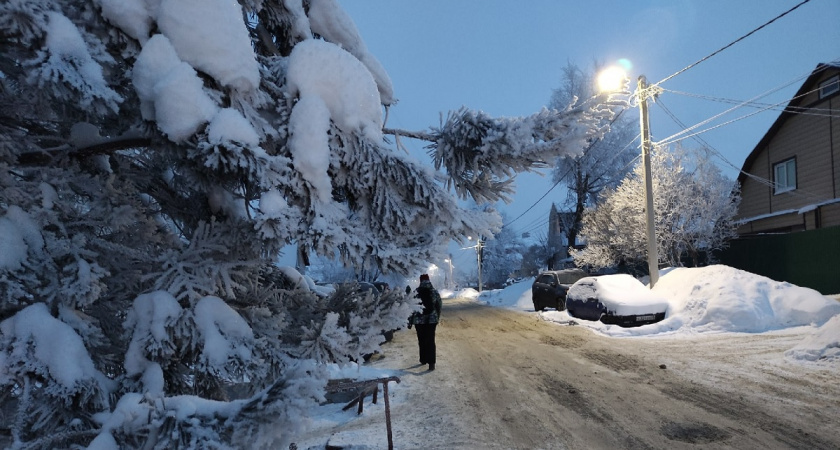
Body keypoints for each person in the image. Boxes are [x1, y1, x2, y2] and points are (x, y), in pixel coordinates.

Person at [408, 274, 442, 371]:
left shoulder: (416, 292)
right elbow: (439, 305)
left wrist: (410, 321)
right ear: (429, 280)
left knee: (421, 339)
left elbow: (411, 308)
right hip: (432, 320)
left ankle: (423, 359)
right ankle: (431, 363)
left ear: (420, 281)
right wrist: (437, 317)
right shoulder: (434, 292)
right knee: (431, 340)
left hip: (419, 321)